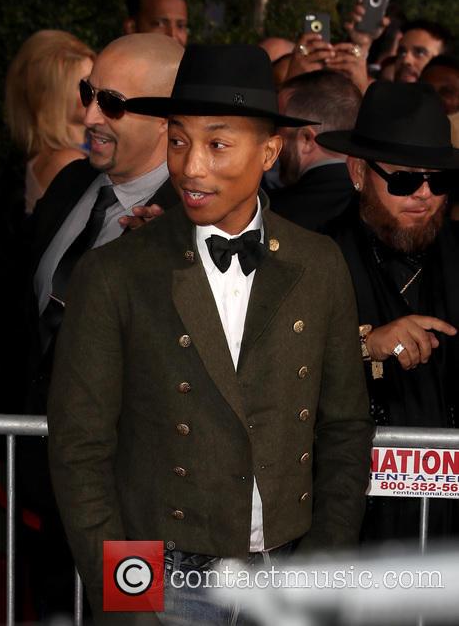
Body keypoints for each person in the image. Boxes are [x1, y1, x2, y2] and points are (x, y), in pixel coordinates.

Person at [48, 43, 373, 625]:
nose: (191, 166)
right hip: (166, 583)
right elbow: (81, 452)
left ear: (270, 150)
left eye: (218, 144)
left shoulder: (318, 265)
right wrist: (127, 602)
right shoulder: (115, 274)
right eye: (178, 140)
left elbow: (344, 430)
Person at [18, 33, 183, 620]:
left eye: (112, 103)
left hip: (130, 510)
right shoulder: (69, 187)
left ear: (168, 119)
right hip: (38, 495)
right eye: (90, 94)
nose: (88, 115)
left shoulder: (198, 219)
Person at [316, 81, 459, 542]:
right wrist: (364, 343)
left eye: (438, 180)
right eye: (403, 179)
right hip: (348, 525)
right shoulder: (314, 256)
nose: (423, 194)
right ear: (358, 171)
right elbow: (267, 361)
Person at [5, 30, 95, 214]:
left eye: (94, 80)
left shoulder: (62, 154)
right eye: (84, 85)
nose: (95, 91)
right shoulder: (65, 161)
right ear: (50, 97)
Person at [270, 70, 362, 232]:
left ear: (306, 139)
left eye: (278, 126)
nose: (272, 136)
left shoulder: (270, 216)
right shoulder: (376, 207)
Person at [123, 0, 188, 46]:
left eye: (180, 26)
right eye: (159, 24)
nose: (173, 35)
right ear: (132, 28)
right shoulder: (114, 55)